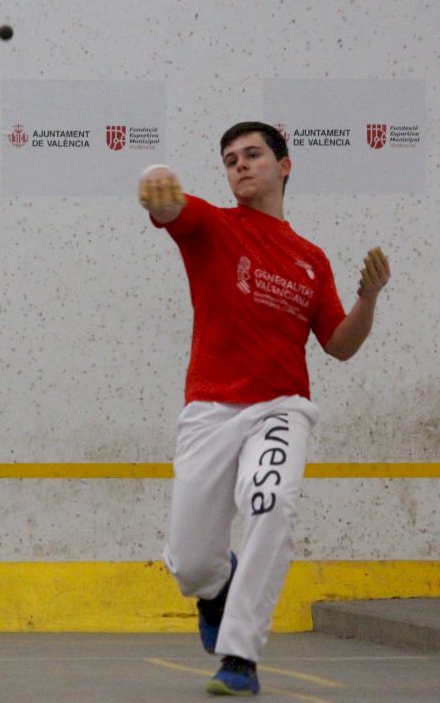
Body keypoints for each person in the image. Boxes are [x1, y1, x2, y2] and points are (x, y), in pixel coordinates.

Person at [138, 121, 391, 696]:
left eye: (252, 155)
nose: (241, 166)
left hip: (280, 407)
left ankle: (240, 656)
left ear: (284, 166)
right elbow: (174, 210)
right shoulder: (214, 225)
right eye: (230, 160)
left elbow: (340, 345)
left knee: (270, 501)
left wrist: (368, 298)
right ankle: (215, 592)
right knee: (191, 566)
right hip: (209, 411)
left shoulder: (311, 259)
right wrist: (156, 186)